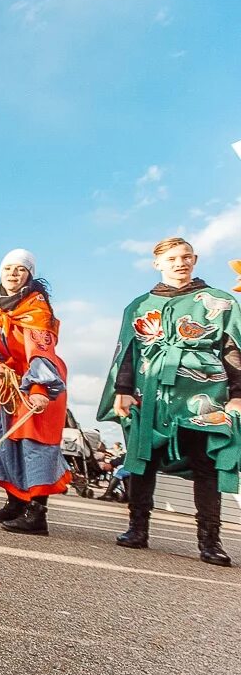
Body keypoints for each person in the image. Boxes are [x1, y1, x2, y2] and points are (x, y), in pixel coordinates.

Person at [98, 237, 240, 566]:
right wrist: (123, 389)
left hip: (204, 394)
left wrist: (238, 395)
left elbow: (234, 348)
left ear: (195, 259)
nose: (180, 263)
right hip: (151, 392)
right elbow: (128, 351)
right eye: (172, 258)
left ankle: (210, 541)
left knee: (206, 463)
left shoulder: (222, 302)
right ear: (157, 264)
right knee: (142, 458)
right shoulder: (139, 305)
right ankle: (137, 529)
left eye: (186, 257)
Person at [0, 249, 70, 535]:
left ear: (29, 275)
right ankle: (15, 502)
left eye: (21, 269)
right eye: (8, 268)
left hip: (36, 382)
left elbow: (42, 349)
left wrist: (39, 388)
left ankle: (37, 513)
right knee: (2, 441)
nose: (13, 273)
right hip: (5, 383)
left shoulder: (37, 308)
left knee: (34, 445)